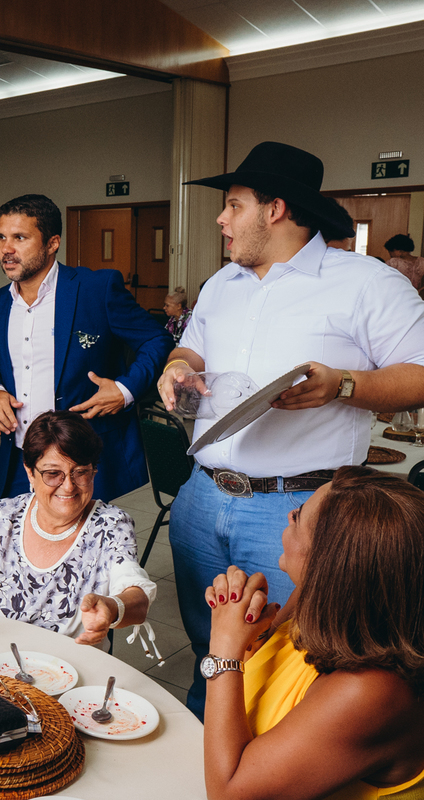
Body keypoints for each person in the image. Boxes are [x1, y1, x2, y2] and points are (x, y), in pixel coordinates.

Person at [161, 140, 424, 719]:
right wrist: (179, 366)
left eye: (232, 205)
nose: (220, 218)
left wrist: (345, 384)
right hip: (203, 497)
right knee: (214, 653)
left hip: (298, 513)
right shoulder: (219, 285)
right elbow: (192, 346)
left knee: (287, 669)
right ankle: (205, 748)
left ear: (274, 209)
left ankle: (266, 769)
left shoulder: (365, 283)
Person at [201, 467, 424, 800]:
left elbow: (229, 794)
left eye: (299, 517)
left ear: (327, 564)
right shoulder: (318, 602)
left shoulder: (370, 691)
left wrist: (222, 651)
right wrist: (248, 629)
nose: (290, 513)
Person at [0, 194, 173, 502]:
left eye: (20, 237)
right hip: (20, 460)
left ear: (52, 242)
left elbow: (157, 339)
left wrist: (125, 390)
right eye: (1, 237)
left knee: (85, 549)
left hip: (83, 463)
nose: (7, 249)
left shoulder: (97, 289)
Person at [0, 411, 156, 649]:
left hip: (72, 669)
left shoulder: (111, 525)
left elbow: (137, 596)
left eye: (80, 472)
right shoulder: (2, 518)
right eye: (53, 474)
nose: (68, 486)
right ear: (30, 472)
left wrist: (112, 608)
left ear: (93, 470)